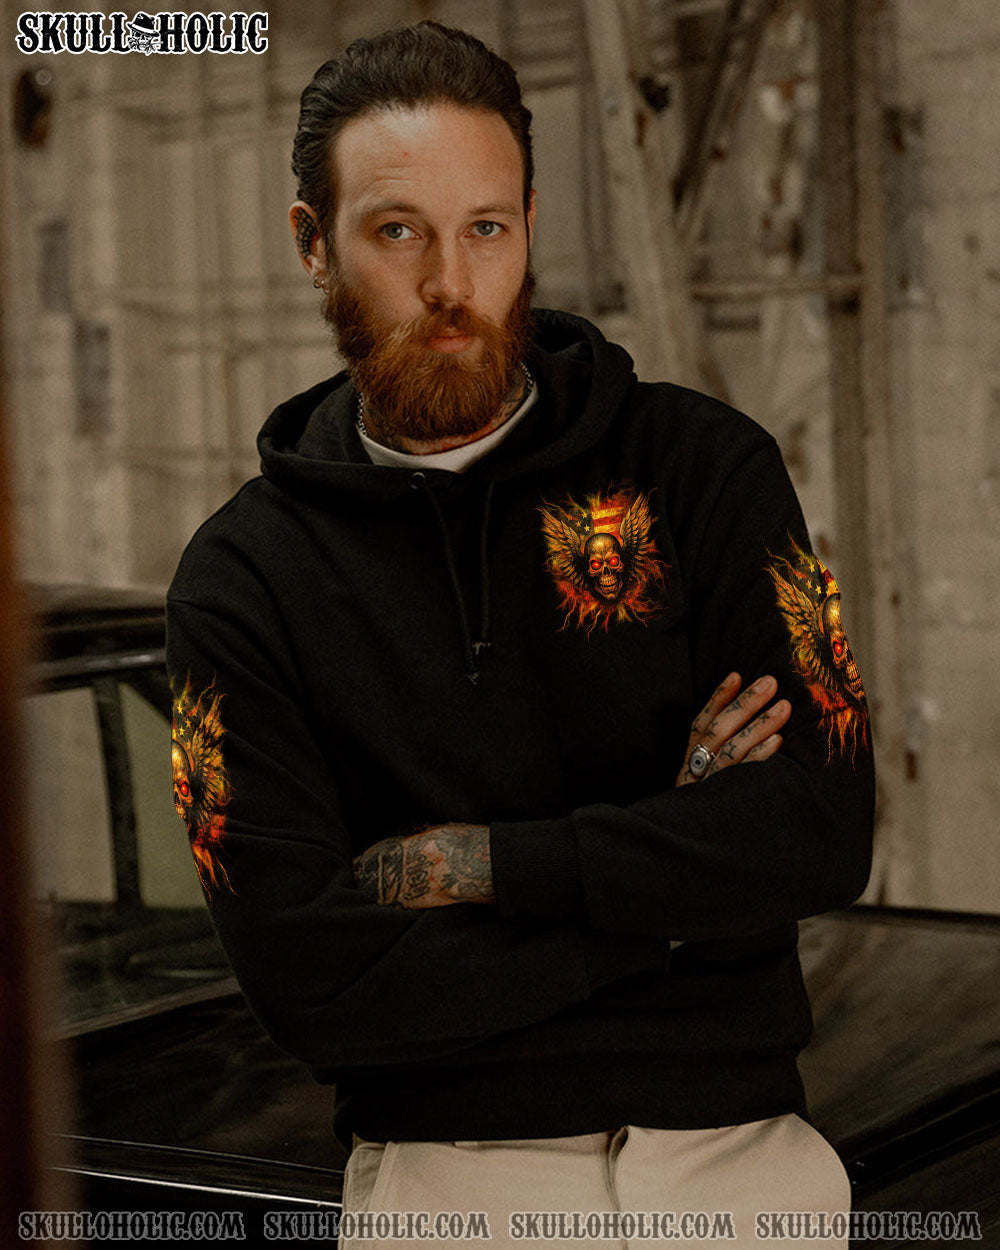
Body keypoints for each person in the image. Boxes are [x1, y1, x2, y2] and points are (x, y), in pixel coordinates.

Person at [166, 20, 874, 1248]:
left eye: (486, 227)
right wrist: (673, 889)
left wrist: (482, 862)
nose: (451, 282)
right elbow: (312, 987)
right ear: (312, 241)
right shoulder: (238, 584)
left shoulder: (705, 470)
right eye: (398, 231)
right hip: (449, 1186)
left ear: (531, 226)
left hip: (741, 1170)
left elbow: (822, 826)